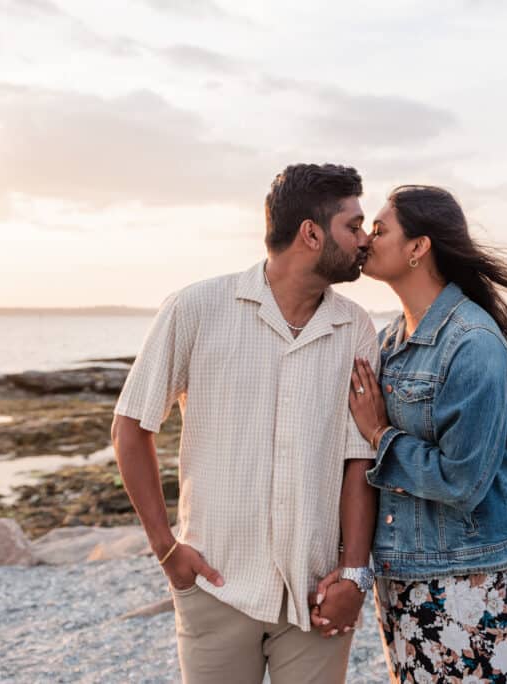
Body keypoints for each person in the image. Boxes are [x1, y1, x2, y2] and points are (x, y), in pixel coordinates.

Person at [111, 163, 380, 683]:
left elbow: (358, 461)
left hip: (315, 596)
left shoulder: (355, 327)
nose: (365, 239)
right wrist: (166, 548)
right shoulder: (196, 308)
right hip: (216, 587)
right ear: (311, 233)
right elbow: (130, 428)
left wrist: (352, 576)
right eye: (354, 225)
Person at [342, 184, 507, 682]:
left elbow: (462, 481)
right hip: (407, 579)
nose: (366, 240)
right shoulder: (388, 342)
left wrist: (381, 436)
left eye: (380, 230)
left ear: (418, 248)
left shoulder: (473, 345)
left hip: (475, 582)